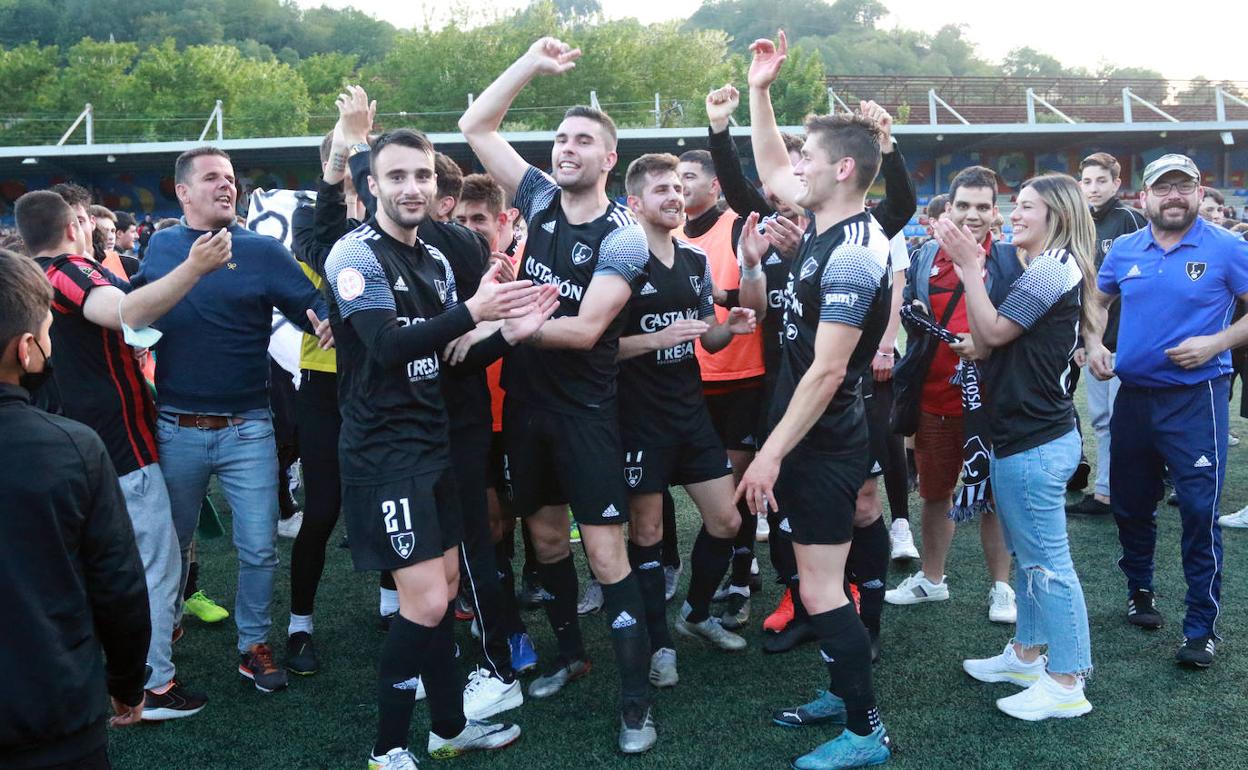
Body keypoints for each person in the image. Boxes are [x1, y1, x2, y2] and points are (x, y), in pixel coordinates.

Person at [325, 127, 551, 768]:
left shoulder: (437, 259)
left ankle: (448, 727)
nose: (412, 188)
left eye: (421, 176)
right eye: (396, 177)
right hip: (382, 453)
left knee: (446, 591)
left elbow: (452, 357)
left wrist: (511, 333)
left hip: (434, 444)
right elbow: (390, 346)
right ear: (371, 187)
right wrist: (476, 309)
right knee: (424, 602)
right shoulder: (355, 256)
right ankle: (388, 751)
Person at [460, 37, 659, 753]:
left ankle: (635, 703)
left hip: (585, 415)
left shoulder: (624, 236)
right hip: (526, 408)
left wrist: (504, 326)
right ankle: (571, 654)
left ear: (608, 159)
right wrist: (529, 65)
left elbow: (584, 331)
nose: (565, 147)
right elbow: (476, 127)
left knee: (606, 557)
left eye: (582, 140)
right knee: (544, 540)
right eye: (561, 137)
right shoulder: (538, 195)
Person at [737, 31, 894, 768]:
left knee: (823, 587)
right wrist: (760, 90)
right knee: (812, 578)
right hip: (805, 435)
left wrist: (768, 453)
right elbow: (772, 164)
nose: (792, 164)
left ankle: (865, 732)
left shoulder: (858, 252)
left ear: (843, 168)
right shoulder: (828, 229)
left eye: (807, 155)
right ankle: (841, 691)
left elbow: (828, 373)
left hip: (823, 439)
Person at [16, 188, 233, 719]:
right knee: (153, 567)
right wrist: (194, 267)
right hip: (116, 444)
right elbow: (127, 314)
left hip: (74, 438)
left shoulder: (25, 277)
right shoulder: (68, 270)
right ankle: (153, 684)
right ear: (74, 227)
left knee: (100, 565)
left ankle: (116, 664)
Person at [134, 146, 333, 693]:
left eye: (230, 177)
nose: (227, 185)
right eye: (212, 177)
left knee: (259, 547)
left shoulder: (264, 251)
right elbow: (139, 316)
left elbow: (314, 310)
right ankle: (164, 627)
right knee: (168, 547)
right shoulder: (162, 246)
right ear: (182, 192)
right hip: (177, 426)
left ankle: (252, 645)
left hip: (249, 427)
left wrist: (333, 323)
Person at [1086, 154, 1248, 668]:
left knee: (1200, 513)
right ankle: (1141, 590)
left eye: (1185, 187)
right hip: (1132, 395)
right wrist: (1092, 343)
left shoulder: (1227, 248)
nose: (1174, 196)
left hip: (1196, 398)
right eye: (1164, 188)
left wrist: (1215, 343)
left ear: (1200, 193)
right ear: (1144, 197)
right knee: (1132, 506)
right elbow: (1096, 299)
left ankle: (1200, 627)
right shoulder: (1128, 248)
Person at [945, 173, 1097, 720]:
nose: (1014, 213)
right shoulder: (1045, 266)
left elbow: (995, 331)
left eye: (1027, 206)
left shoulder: (1054, 267)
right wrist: (980, 344)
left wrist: (968, 268)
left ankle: (1066, 680)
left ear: (1056, 214)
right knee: (1032, 561)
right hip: (1024, 435)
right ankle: (1028, 654)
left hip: (1035, 440)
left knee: (1047, 564)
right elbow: (997, 343)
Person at [0, 248, 150, 769]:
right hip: (54, 715)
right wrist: (129, 681)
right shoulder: (73, 448)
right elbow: (119, 586)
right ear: (25, 350)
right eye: (47, 336)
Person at [618, 152, 758, 684]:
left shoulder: (696, 259)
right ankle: (657, 645)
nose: (675, 197)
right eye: (661, 191)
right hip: (637, 419)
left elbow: (707, 334)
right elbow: (594, 346)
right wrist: (653, 338)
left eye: (678, 188)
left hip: (690, 411)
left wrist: (732, 327)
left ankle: (695, 615)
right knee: (648, 531)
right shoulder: (621, 261)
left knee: (728, 520)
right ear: (635, 204)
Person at [886, 166, 1019, 624]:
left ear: (996, 212)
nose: (973, 215)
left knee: (996, 497)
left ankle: (1002, 588)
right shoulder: (925, 258)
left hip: (994, 403)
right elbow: (909, 313)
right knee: (936, 492)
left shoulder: (1011, 260)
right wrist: (915, 314)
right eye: (964, 205)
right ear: (950, 206)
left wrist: (983, 347)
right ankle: (932, 578)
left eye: (983, 206)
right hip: (936, 398)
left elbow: (1019, 328)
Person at [1066, 152, 1147, 516]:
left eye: (1102, 180)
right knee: (1103, 419)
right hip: (1095, 340)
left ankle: (1122, 491)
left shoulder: (1130, 220)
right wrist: (1084, 339)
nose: (1094, 188)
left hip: (1128, 343)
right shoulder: (1081, 223)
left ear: (1117, 183)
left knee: (1124, 419)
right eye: (1087, 181)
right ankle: (1107, 492)